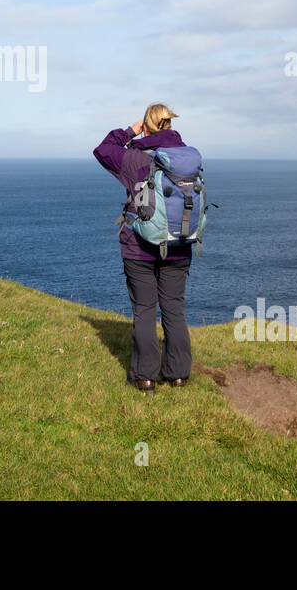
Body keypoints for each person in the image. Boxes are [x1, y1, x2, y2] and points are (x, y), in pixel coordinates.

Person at [93, 103, 193, 392]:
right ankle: (178, 375)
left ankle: (146, 377)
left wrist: (130, 131)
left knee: (145, 311)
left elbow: (102, 150)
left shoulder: (133, 158)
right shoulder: (187, 157)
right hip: (178, 243)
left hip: (139, 247)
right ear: (170, 126)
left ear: (146, 125)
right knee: (174, 309)